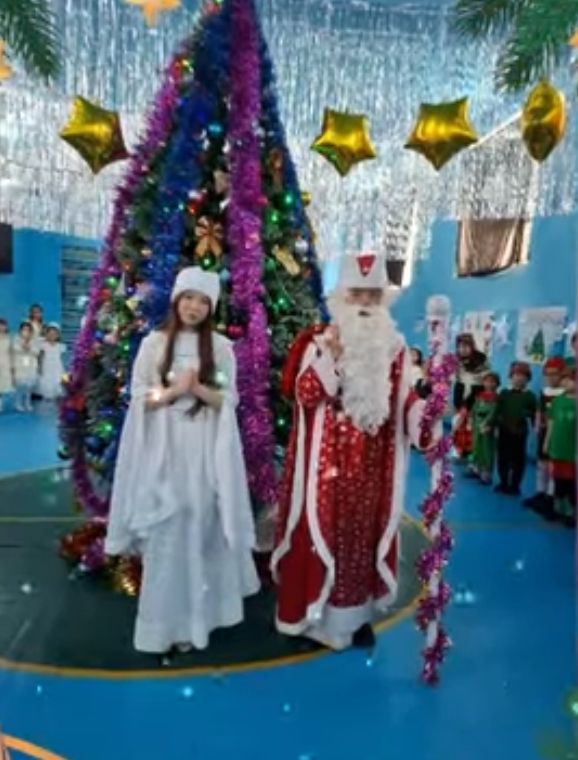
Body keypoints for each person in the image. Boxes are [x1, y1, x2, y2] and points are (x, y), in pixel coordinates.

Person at [271, 252, 431, 651]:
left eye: (372, 296)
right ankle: (314, 621)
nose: (363, 303)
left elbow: (405, 401)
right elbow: (305, 393)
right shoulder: (318, 342)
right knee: (320, 539)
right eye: (356, 294)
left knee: (361, 544)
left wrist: (426, 416)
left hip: (372, 469)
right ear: (341, 297)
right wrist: (334, 357)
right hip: (324, 467)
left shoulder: (395, 349)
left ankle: (354, 620)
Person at [105, 267, 259, 658]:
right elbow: (140, 396)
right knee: (167, 532)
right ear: (177, 300)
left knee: (201, 529)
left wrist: (199, 390)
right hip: (164, 450)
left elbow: (229, 399)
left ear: (211, 307)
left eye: (203, 301)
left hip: (204, 451)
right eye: (188, 298)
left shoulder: (220, 347)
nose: (194, 307)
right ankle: (161, 626)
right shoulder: (154, 344)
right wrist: (174, 390)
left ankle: (198, 620)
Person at [524, 357, 565, 515]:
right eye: (548, 374)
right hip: (544, 432)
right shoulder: (544, 391)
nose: (551, 377)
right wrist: (537, 424)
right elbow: (539, 409)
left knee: (553, 466)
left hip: (558, 435)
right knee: (542, 463)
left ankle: (550, 497)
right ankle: (540, 492)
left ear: (562, 374)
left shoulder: (565, 394)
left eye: (555, 374)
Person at [495, 362, 537, 496]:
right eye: (516, 375)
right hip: (504, 429)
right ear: (511, 377)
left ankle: (515, 485)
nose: (519, 378)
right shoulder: (504, 393)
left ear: (528, 379)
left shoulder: (530, 396)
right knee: (503, 457)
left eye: (523, 376)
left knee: (518, 459)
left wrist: (535, 425)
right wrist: (494, 424)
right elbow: (496, 410)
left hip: (520, 432)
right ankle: (503, 482)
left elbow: (535, 413)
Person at [544, 365, 576, 527]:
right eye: (564, 379)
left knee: (571, 482)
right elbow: (551, 423)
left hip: (573, 451)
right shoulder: (557, 401)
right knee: (558, 479)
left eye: (569, 379)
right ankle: (559, 508)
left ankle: (571, 511)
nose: (565, 382)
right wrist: (546, 442)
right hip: (558, 448)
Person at [452, 333, 489, 459]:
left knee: (471, 424)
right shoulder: (456, 360)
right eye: (460, 346)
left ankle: (472, 451)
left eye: (466, 346)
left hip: (476, 393)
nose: (462, 349)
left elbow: (486, 379)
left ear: (472, 346)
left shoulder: (481, 359)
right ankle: (459, 449)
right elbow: (456, 378)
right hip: (461, 391)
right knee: (458, 423)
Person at [467, 371, 500, 484]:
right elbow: (474, 408)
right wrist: (470, 419)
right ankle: (476, 468)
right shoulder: (480, 395)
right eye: (487, 381)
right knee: (476, 446)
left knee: (487, 449)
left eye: (492, 382)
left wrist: (487, 424)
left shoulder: (496, 398)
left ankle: (486, 472)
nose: (489, 384)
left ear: (497, 384)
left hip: (487, 427)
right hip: (477, 425)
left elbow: (493, 412)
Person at [11, 321, 39, 412]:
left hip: (31, 366)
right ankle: (18, 403)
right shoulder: (16, 339)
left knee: (29, 386)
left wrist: (29, 347)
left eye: (28, 329)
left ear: (31, 331)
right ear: (20, 330)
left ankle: (27, 402)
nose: (26, 331)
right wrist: (24, 346)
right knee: (20, 386)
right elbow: (15, 349)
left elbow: (37, 352)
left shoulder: (35, 340)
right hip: (20, 365)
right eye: (24, 329)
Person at [38, 323, 66, 400]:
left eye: (54, 334)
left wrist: (64, 370)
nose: (52, 336)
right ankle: (48, 394)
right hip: (46, 365)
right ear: (46, 334)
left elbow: (62, 358)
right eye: (50, 334)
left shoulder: (60, 346)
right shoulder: (44, 345)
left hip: (57, 366)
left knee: (57, 379)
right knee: (46, 379)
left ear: (58, 335)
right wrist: (40, 367)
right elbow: (40, 357)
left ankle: (57, 393)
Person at [0, 319, 12, 412]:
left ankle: (0, 403)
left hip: (5, 363)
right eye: (0, 325)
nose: (2, 327)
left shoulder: (9, 338)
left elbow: (11, 352)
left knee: (2, 385)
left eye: (3, 325)